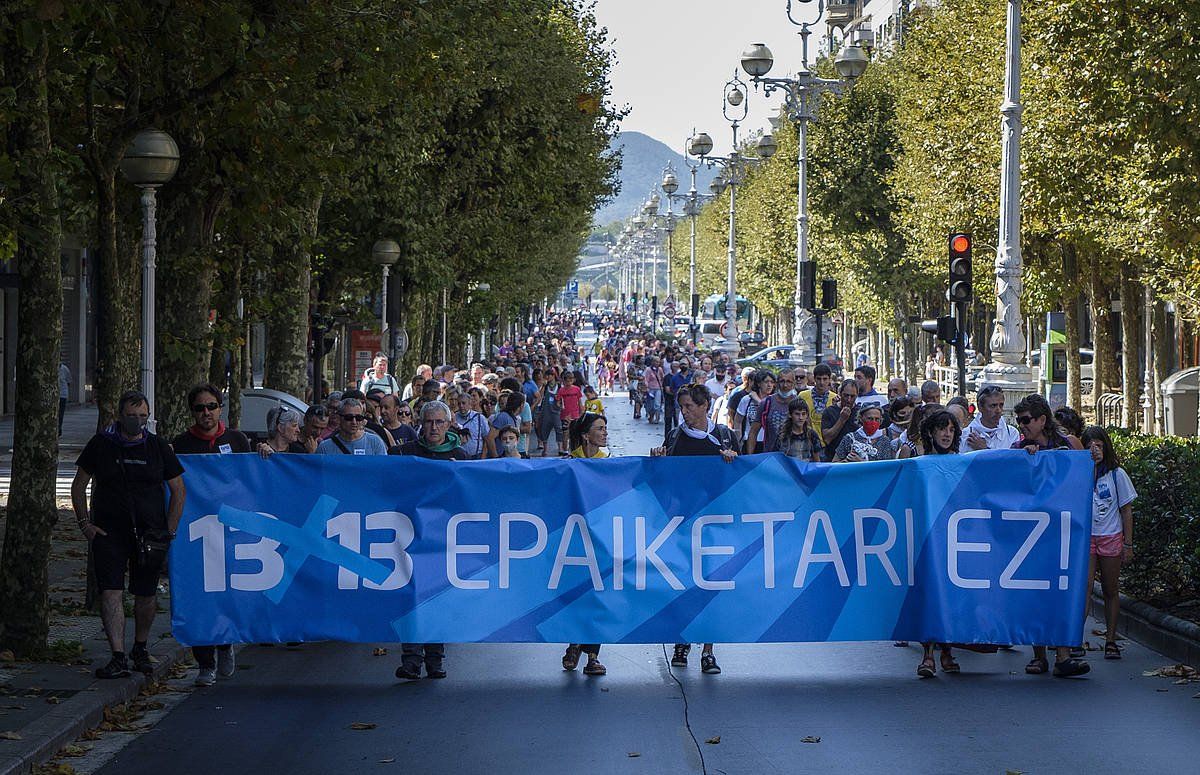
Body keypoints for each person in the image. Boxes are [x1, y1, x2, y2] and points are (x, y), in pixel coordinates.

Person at [71, 390, 186, 679]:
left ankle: (140, 647)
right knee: (111, 592)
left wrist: (168, 532)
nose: (137, 421)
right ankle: (118, 655)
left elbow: (178, 490)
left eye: (142, 416)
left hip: (150, 535)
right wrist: (85, 524)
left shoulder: (158, 447)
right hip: (108, 533)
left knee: (145, 594)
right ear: (120, 416)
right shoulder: (101, 444)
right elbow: (79, 485)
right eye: (132, 416)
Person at [652, 384, 738, 675]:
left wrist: (732, 462)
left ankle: (709, 651)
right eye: (682, 407)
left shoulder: (724, 436)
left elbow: (741, 481)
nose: (685, 412)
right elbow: (662, 483)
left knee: (711, 585)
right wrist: (657, 463)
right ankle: (682, 641)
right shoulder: (675, 438)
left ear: (704, 406)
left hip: (714, 525)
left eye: (689, 406)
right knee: (682, 585)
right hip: (682, 525)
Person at [171, 384, 252, 685]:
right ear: (191, 412)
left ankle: (225, 642)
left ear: (221, 408)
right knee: (198, 596)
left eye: (211, 406)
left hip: (230, 534)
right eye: (199, 408)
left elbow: (252, 478)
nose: (206, 413)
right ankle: (204, 662)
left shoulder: (237, 439)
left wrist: (267, 454)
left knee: (226, 593)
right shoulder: (180, 445)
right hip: (195, 535)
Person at [1010, 394, 1089, 678]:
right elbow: (1011, 490)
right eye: (1018, 421)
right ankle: (1038, 655)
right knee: (1034, 595)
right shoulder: (1017, 448)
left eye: (1026, 420)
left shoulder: (1070, 444)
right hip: (1031, 537)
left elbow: (1083, 484)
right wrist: (1024, 461)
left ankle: (1064, 655)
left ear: (1043, 420)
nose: (1022, 426)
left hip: (1064, 534)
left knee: (1062, 593)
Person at [392, 400, 467, 680]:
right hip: (410, 538)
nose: (434, 427)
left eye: (439, 422)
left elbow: (470, 499)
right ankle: (411, 660)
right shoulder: (404, 453)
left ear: (448, 425)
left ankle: (435, 659)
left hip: (444, 540)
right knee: (411, 599)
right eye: (429, 422)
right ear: (420, 424)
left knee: (437, 599)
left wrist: (460, 477)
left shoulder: (459, 456)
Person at [914, 409, 965, 678]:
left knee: (949, 597)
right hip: (924, 539)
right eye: (941, 429)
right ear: (931, 432)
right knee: (928, 596)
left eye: (951, 430)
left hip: (952, 541)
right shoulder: (918, 463)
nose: (946, 434)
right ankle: (928, 655)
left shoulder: (962, 463)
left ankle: (946, 651)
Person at [1079, 426, 1136, 660]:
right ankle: (1075, 639)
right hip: (1087, 538)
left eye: (1099, 445)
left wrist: (1128, 544)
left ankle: (1111, 640)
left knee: (1111, 590)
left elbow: (1126, 510)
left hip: (1110, 536)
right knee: (1085, 589)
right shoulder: (1080, 474)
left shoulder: (1116, 474)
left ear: (1106, 447)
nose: (1095, 450)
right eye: (1090, 446)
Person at [562, 412, 610, 676]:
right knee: (575, 595)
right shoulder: (570, 464)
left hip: (601, 540)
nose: (604, 433)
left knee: (597, 598)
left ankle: (592, 656)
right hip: (574, 541)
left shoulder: (610, 462)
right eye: (599, 428)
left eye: (605, 428)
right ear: (585, 435)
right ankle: (573, 642)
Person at [747, 369, 798, 454]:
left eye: (788, 381)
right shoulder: (767, 403)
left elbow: (808, 431)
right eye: (782, 381)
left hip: (794, 457)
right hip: (771, 456)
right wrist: (749, 457)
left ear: (793, 384)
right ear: (777, 383)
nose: (785, 385)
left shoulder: (799, 403)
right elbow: (753, 432)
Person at [316, 398, 389, 455]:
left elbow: (382, 470)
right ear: (339, 418)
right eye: (349, 417)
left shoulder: (375, 443)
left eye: (358, 418)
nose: (354, 422)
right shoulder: (325, 447)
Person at [961, 386, 1019, 452]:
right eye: (993, 406)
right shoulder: (965, 435)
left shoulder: (1012, 434)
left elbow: (1013, 461)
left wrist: (985, 450)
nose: (998, 410)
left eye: (1001, 405)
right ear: (980, 407)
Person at [820, 379, 860, 462]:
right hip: (832, 459)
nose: (849, 400)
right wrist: (842, 419)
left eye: (852, 396)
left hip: (855, 460)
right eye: (846, 395)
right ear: (840, 394)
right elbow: (827, 439)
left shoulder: (860, 413)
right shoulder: (830, 411)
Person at [773, 397, 823, 462]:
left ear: (807, 415)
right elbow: (776, 458)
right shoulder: (782, 434)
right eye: (797, 414)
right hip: (787, 470)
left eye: (803, 414)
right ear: (790, 415)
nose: (801, 418)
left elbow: (817, 460)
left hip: (806, 470)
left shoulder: (811, 434)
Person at [533, 368, 564, 457]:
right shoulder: (546, 386)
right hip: (546, 411)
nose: (547, 377)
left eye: (549, 375)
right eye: (546, 376)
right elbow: (540, 396)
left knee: (559, 429)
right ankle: (545, 450)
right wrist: (543, 386)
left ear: (553, 376)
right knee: (544, 430)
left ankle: (560, 448)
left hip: (556, 412)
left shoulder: (559, 386)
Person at [798, 363, 835, 437]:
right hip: (807, 441)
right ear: (814, 378)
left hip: (828, 442)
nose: (822, 382)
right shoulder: (802, 396)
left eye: (825, 379)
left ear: (829, 379)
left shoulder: (835, 398)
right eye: (819, 379)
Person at [557, 369, 585, 448]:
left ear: (573, 380)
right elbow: (558, 402)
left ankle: (574, 449)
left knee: (575, 433)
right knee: (565, 433)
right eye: (566, 379)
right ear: (563, 380)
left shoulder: (576, 389)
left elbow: (579, 401)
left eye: (570, 379)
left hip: (575, 414)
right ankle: (565, 450)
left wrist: (581, 412)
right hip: (565, 415)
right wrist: (560, 405)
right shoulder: (561, 390)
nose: (568, 381)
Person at [642, 356, 665, 424]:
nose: (657, 363)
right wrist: (646, 387)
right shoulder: (648, 369)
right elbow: (646, 379)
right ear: (652, 362)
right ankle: (651, 416)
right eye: (655, 361)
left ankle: (657, 418)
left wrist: (662, 385)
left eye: (658, 362)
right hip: (650, 389)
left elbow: (662, 377)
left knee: (657, 404)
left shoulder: (660, 369)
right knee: (651, 405)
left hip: (658, 388)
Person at [58, 361, 71, 437]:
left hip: (62, 395)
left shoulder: (65, 369)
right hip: (54, 394)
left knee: (60, 414)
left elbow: (69, 381)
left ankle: (59, 429)